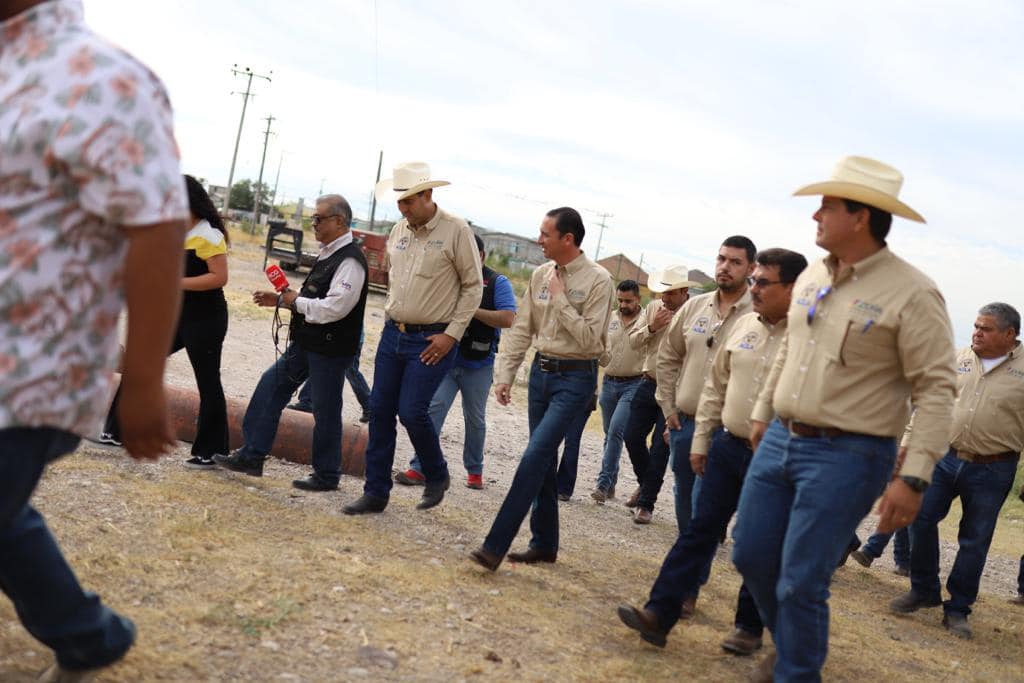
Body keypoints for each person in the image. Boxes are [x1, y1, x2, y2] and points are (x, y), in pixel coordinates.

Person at [1, 1, 187, 679]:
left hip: (27, 373)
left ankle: (89, 634)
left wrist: (142, 382)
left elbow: (158, 227)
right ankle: (88, 635)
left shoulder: (104, 77)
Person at [733, 156, 957, 681]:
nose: (816, 215)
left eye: (828, 206)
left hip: (849, 454)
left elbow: (937, 389)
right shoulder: (813, 275)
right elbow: (792, 347)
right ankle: (794, 648)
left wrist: (914, 477)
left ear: (861, 217)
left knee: (801, 579)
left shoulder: (913, 293)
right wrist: (764, 411)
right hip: (781, 437)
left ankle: (795, 670)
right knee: (750, 554)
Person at [618, 248, 806, 655]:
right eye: (753, 281)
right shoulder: (745, 327)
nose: (755, 289)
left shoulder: (809, 338)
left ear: (793, 288)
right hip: (727, 445)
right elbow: (716, 387)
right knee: (698, 531)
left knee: (758, 542)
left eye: (763, 282)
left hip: (776, 455)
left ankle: (749, 628)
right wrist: (702, 439)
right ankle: (659, 612)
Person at [469, 207, 612, 571]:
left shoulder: (599, 281)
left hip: (575, 378)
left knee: (534, 456)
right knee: (544, 460)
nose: (539, 240)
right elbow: (523, 328)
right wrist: (505, 374)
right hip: (540, 376)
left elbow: (591, 340)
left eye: (546, 234)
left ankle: (494, 546)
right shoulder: (539, 274)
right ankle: (545, 543)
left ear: (568, 239)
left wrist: (561, 299)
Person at [344, 162, 482, 514]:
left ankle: (436, 473)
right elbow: (395, 281)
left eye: (408, 201)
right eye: (399, 201)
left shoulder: (456, 230)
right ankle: (376, 492)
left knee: (411, 411)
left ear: (428, 195)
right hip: (394, 334)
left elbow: (472, 287)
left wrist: (451, 335)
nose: (402, 207)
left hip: (433, 339)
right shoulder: (398, 231)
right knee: (380, 411)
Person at [215, 194, 368, 492]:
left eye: (318, 219)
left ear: (339, 221)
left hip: (330, 349)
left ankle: (327, 475)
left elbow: (334, 308)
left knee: (325, 411)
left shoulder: (351, 260)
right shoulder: (329, 253)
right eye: (313, 218)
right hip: (307, 343)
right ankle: (251, 455)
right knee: (270, 387)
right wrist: (281, 300)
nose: (314, 224)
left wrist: (294, 301)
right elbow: (312, 298)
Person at [889, 303, 1023, 639]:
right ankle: (924, 589)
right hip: (943, 457)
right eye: (976, 326)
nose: (977, 333)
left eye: (986, 328)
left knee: (975, 540)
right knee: (918, 517)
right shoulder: (957, 358)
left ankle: (958, 609)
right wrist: (907, 444)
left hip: (994, 467)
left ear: (1009, 334)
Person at [100, 175, 230, 468]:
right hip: (173, 315)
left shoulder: (209, 235)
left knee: (208, 381)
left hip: (205, 318)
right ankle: (115, 432)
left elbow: (219, 277)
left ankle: (210, 451)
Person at [640, 237, 755, 529]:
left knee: (706, 500)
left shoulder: (759, 314)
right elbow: (668, 356)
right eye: (721, 259)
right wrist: (668, 407)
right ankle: (693, 542)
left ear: (751, 268)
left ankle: (699, 545)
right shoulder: (695, 308)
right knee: (685, 494)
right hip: (685, 423)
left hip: (728, 430)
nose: (725, 267)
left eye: (735, 262)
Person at [394, 234, 516, 490]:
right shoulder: (448, 277)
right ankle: (419, 468)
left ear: (480, 256)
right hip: (446, 360)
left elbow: (507, 318)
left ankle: (475, 471)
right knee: (432, 411)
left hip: (479, 365)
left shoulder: (498, 282)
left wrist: (471, 311)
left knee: (475, 420)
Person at [621, 266, 698, 513]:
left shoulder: (695, 315)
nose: (664, 298)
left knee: (660, 448)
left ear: (685, 293)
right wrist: (652, 327)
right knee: (631, 436)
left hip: (675, 391)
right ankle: (646, 485)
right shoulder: (653, 309)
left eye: (670, 293)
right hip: (648, 383)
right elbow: (633, 341)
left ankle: (646, 503)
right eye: (663, 292)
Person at [590, 280, 645, 503]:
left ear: (638, 299)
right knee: (609, 434)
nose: (623, 305)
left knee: (615, 432)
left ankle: (602, 485)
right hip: (609, 383)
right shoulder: (610, 318)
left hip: (634, 385)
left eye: (628, 301)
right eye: (620, 300)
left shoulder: (646, 321)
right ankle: (611, 483)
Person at [288, 328, 372, 423]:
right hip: (337, 338)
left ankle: (369, 406)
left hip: (349, 339)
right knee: (321, 363)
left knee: (351, 371)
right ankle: (307, 401)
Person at [555, 390, 597, 500]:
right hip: (560, 391)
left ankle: (564, 488)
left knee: (572, 440)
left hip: (584, 395)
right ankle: (546, 483)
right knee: (552, 436)